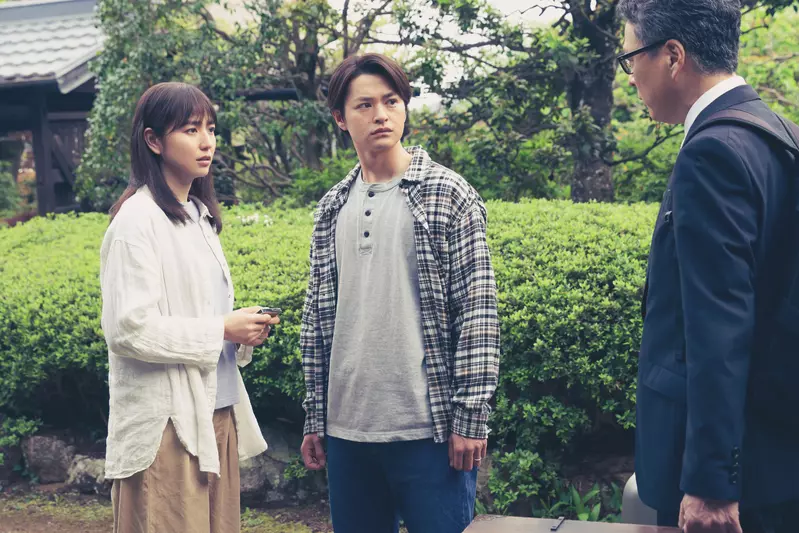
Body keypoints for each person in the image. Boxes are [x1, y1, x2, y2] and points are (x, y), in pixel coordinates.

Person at [299, 53, 500, 533]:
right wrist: (314, 415)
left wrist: (471, 416)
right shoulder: (331, 208)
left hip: (429, 431)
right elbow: (317, 321)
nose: (381, 115)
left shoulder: (448, 194)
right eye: (365, 105)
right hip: (347, 432)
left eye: (391, 102)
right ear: (340, 118)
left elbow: (477, 311)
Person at [617, 1, 799, 531]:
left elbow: (719, 327)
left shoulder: (712, 152)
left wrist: (711, 484)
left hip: (733, 483)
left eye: (631, 58)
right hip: (775, 452)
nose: (630, 77)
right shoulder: (779, 133)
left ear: (673, 56)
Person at [99, 82, 280, 533]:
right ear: (153, 140)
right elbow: (128, 329)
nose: (206, 142)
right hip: (168, 424)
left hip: (216, 412)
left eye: (211, 129)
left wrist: (243, 328)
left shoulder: (199, 216)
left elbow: (201, 311)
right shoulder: (136, 221)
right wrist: (222, 328)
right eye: (190, 129)